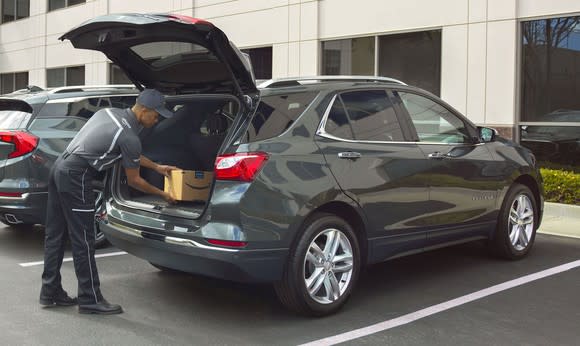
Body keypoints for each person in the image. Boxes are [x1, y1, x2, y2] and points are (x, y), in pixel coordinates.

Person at [39, 89, 178, 315]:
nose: (157, 120)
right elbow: (134, 180)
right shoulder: (130, 136)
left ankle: (50, 291)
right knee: (84, 238)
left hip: (60, 167)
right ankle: (89, 299)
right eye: (156, 115)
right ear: (143, 110)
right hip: (77, 175)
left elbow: (128, 153)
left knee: (55, 234)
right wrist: (163, 195)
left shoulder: (110, 114)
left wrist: (157, 167)